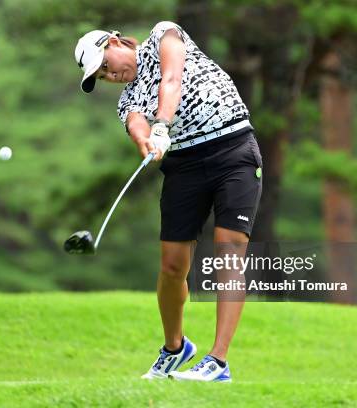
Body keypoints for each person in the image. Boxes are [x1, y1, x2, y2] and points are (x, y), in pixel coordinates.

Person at [74, 21, 262, 383]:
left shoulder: (164, 34)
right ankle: (175, 348)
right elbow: (135, 125)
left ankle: (218, 362)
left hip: (233, 149)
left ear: (114, 41)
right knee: (173, 264)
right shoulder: (127, 99)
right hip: (185, 167)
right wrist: (147, 140)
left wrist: (162, 124)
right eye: (101, 75)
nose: (110, 74)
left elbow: (171, 79)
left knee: (229, 249)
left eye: (105, 64)